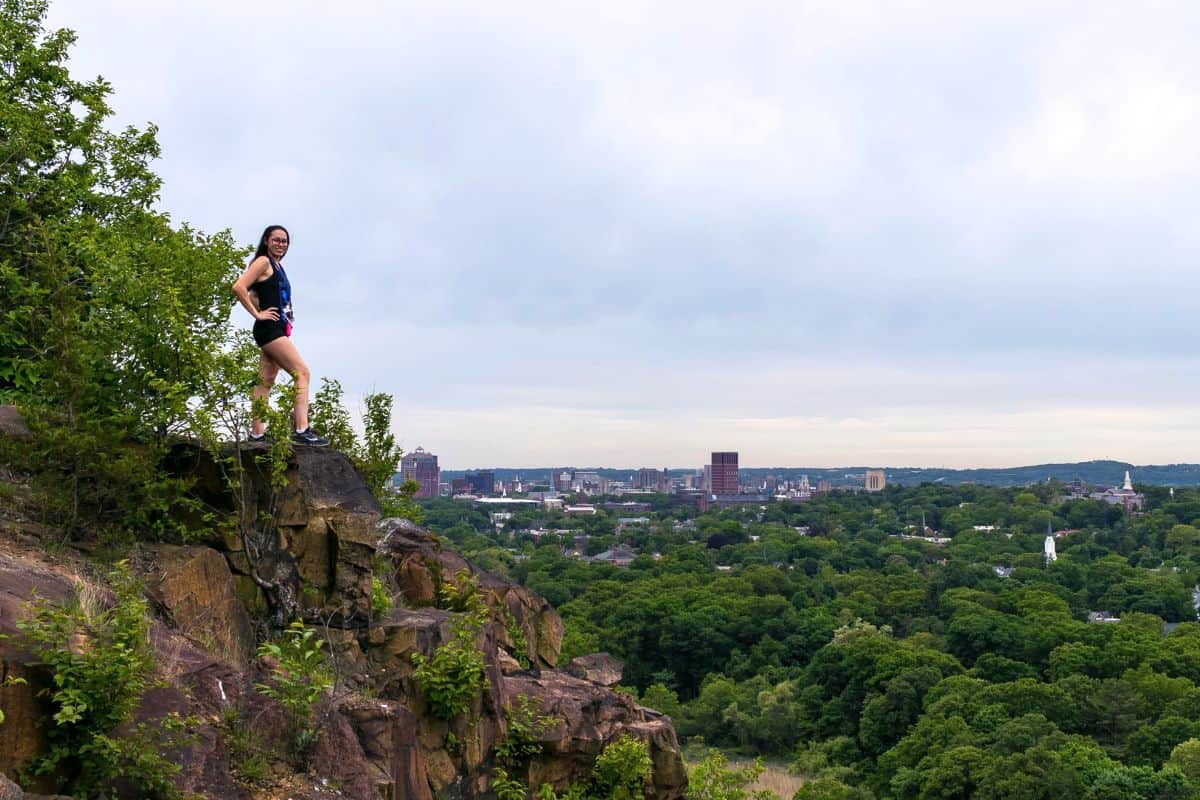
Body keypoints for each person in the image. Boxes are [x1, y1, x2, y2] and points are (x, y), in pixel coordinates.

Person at [232, 225, 329, 446]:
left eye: (284, 241)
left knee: (265, 381)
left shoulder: (276, 266)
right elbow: (239, 287)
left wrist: (261, 306)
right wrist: (258, 314)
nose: (281, 244)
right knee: (302, 372)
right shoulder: (263, 262)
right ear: (266, 241)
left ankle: (257, 434)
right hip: (269, 329)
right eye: (276, 240)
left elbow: (256, 293)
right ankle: (301, 429)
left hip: (277, 327)